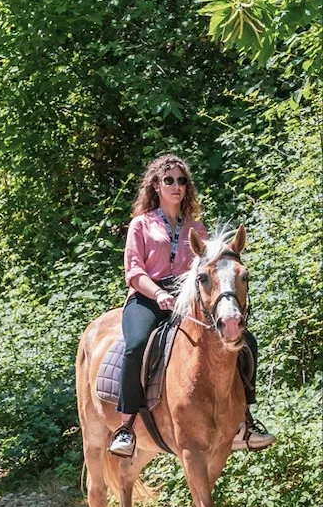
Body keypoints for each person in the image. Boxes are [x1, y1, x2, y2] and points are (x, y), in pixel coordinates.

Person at [108, 154, 273, 457]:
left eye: (181, 180)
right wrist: (158, 294)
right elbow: (133, 272)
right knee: (136, 345)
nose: (176, 186)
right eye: (169, 180)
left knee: (245, 341)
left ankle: (245, 421)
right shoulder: (140, 225)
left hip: (188, 299)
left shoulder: (196, 228)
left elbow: (209, 272)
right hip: (147, 297)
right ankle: (126, 426)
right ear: (156, 185)